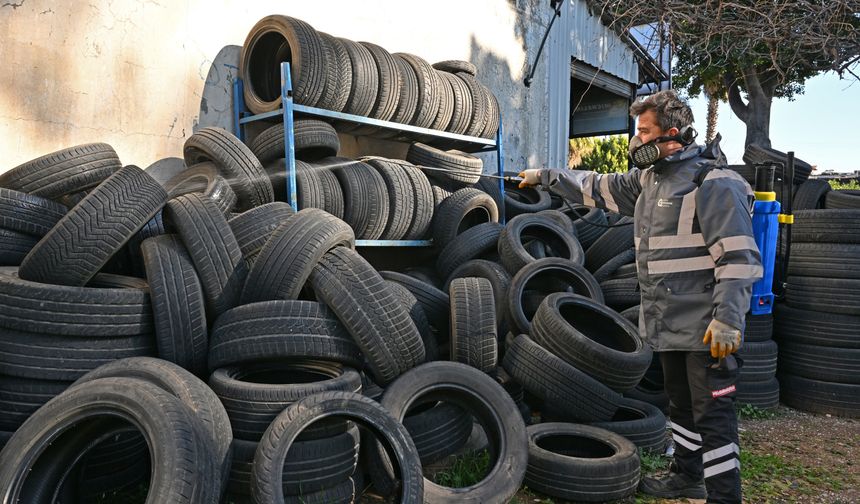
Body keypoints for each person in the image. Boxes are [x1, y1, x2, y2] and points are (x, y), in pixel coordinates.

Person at [519, 90, 762, 504]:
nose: (635, 140)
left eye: (643, 131)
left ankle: (725, 496)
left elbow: (739, 258)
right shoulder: (649, 181)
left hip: (707, 328)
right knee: (682, 410)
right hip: (666, 324)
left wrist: (728, 320)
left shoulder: (714, 183)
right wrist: (544, 176)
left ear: (671, 133)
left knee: (714, 418)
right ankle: (688, 476)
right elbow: (595, 186)